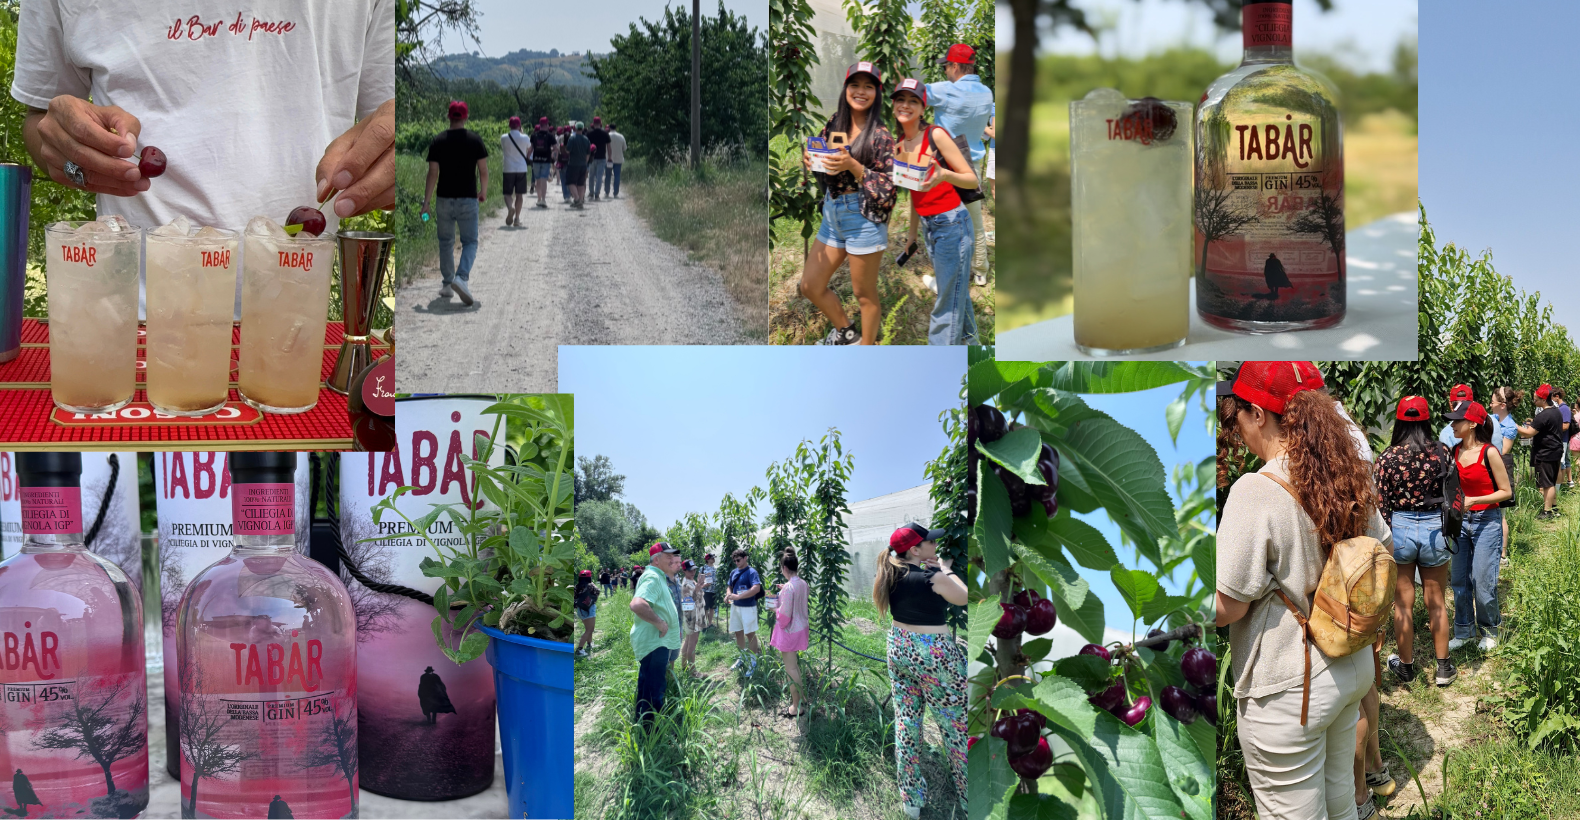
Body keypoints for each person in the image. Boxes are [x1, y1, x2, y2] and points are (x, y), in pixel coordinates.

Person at [13, 2, 395, 317]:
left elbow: (391, 120)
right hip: (132, 317)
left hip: (293, 317)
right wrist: (71, 156)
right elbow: (41, 121)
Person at [1215, 361, 1391, 820]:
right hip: (1349, 668)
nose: (1235, 426)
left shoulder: (1255, 490)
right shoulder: (1346, 472)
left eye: (1237, 413)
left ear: (1257, 413)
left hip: (1292, 687)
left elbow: (1229, 606)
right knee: (1338, 802)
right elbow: (1382, 545)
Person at [874, 523, 968, 817]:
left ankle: (911, 800)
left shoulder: (890, 574)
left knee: (907, 722)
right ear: (915, 550)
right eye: (929, 542)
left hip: (899, 647)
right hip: (934, 653)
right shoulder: (932, 576)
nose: (934, 545)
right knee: (956, 727)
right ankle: (970, 798)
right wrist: (945, 568)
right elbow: (964, 596)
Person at [800, 62, 897, 345]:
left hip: (863, 217)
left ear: (877, 94)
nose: (861, 91)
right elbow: (819, 154)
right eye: (855, 85)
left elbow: (889, 189)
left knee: (864, 294)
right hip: (833, 213)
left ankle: (866, 350)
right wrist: (810, 158)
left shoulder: (881, 136)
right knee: (810, 285)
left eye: (869, 86)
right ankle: (849, 334)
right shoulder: (834, 123)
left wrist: (854, 165)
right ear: (846, 89)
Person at [1375, 396, 1457, 688]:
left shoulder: (1387, 458)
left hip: (1401, 527)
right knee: (1436, 601)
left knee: (1403, 604)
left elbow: (1381, 506)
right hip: (1435, 526)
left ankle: (1407, 667)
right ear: (1426, 420)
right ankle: (1444, 668)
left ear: (1399, 421)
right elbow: (1453, 492)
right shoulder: (1441, 452)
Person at [892, 78, 978, 346]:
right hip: (931, 228)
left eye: (913, 101)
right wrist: (912, 234)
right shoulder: (900, 143)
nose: (905, 105)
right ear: (893, 104)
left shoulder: (935, 135)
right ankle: (973, 344)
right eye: (901, 99)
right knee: (955, 292)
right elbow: (914, 193)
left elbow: (971, 179)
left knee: (946, 303)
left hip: (953, 225)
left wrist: (943, 175)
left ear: (922, 107)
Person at [1446, 400, 1513, 654]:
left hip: (1486, 521)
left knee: (1483, 582)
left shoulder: (1489, 453)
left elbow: (1505, 492)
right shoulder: (1453, 452)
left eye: (1457, 420)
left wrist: (1474, 500)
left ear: (1472, 424)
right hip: (1461, 523)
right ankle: (1464, 630)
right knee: (1460, 581)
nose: (1452, 424)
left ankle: (1489, 629)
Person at [926, 44, 993, 287]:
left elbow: (914, 94)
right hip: (972, 164)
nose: (945, 71)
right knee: (974, 220)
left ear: (955, 66)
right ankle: (981, 270)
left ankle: (948, 274)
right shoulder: (987, 92)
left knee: (943, 220)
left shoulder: (946, 90)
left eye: (946, 66)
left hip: (946, 165)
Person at [420, 100, 487, 307]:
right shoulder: (475, 140)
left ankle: (448, 283)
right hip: (468, 198)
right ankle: (462, 278)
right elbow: (483, 170)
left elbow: (432, 173)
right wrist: (483, 191)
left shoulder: (437, 141)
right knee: (470, 242)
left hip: (443, 199)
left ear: (449, 117)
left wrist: (426, 203)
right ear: (466, 117)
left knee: (445, 241)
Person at [629, 542, 682, 727]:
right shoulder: (652, 576)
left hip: (656, 642)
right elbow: (637, 604)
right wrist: (660, 623)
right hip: (655, 642)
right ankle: (652, 732)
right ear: (656, 559)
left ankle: (643, 725)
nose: (672, 560)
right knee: (655, 689)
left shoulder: (658, 576)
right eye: (668, 557)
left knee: (647, 685)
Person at [770, 548, 811, 721]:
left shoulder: (788, 588)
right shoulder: (802, 583)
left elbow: (784, 617)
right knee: (794, 666)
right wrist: (783, 591)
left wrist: (774, 607)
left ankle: (797, 706)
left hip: (789, 632)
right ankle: (802, 698)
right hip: (801, 628)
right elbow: (797, 599)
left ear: (784, 568)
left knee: (791, 668)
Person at [1518, 383, 1565, 518]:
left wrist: (1513, 426)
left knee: (1547, 483)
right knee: (1551, 480)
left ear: (1544, 400)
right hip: (1555, 450)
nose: (1534, 402)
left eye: (1536, 399)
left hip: (1545, 453)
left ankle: (1547, 511)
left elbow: (1528, 433)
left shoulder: (1544, 415)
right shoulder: (1556, 412)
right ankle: (1554, 507)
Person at [1490, 386, 1522, 563]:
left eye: (1493, 401)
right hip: (1491, 468)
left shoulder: (1509, 425)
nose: (1490, 404)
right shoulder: (1493, 419)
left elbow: (1504, 450)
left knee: (1500, 514)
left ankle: (1502, 554)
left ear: (1502, 405)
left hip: (1500, 469)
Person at [725, 547, 764, 674]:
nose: (737, 562)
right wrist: (728, 595)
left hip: (748, 607)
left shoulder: (752, 572)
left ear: (745, 558)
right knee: (738, 633)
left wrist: (739, 596)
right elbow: (729, 586)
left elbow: (756, 588)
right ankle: (742, 657)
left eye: (739, 560)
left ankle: (753, 661)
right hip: (735, 607)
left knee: (750, 634)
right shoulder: (733, 572)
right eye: (735, 561)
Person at [500, 116, 530, 227]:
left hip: (508, 169)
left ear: (509, 125)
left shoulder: (504, 137)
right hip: (521, 168)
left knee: (507, 193)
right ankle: (517, 219)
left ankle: (510, 208)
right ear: (519, 125)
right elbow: (528, 148)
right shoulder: (525, 137)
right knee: (519, 195)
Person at [679, 560, 703, 670]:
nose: (693, 572)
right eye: (690, 570)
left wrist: (698, 585)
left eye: (694, 569)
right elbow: (689, 602)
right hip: (692, 616)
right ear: (684, 571)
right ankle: (693, 671)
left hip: (696, 614)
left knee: (689, 641)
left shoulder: (691, 581)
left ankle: (684, 667)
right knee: (692, 642)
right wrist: (697, 589)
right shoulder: (685, 585)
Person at [529, 117, 557, 210]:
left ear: (540, 125)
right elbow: (556, 148)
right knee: (544, 179)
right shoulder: (550, 136)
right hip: (546, 160)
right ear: (547, 125)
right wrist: (551, 151)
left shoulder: (534, 135)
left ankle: (539, 199)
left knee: (537, 180)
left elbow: (531, 148)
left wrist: (526, 157)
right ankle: (544, 200)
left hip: (536, 160)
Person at [563, 121, 591, 209]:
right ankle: (581, 201)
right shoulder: (586, 139)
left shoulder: (572, 138)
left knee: (570, 182)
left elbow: (567, 151)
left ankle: (577, 199)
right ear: (582, 129)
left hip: (573, 164)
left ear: (574, 128)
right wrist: (585, 163)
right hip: (583, 164)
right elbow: (588, 153)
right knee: (581, 183)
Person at [574, 569, 599, 657]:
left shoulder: (576, 586)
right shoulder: (590, 586)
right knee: (589, 630)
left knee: (588, 629)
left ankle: (589, 644)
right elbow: (598, 591)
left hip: (580, 610)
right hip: (589, 609)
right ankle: (579, 649)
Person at [587, 116, 611, 201]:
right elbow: (608, 147)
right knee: (599, 176)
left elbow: (587, 146)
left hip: (592, 157)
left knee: (591, 176)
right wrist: (610, 157)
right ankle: (597, 194)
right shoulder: (605, 134)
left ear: (593, 124)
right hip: (602, 157)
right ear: (600, 123)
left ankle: (591, 192)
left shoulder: (589, 134)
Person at [606, 123, 627, 198]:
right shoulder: (621, 136)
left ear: (609, 128)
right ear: (616, 128)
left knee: (608, 175)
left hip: (609, 159)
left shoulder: (607, 135)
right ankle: (615, 192)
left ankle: (607, 191)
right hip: (618, 159)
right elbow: (624, 148)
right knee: (617, 176)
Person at [701, 553, 719, 630]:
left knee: (712, 607)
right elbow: (700, 580)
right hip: (706, 591)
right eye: (712, 558)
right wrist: (705, 584)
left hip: (714, 590)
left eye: (714, 558)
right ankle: (704, 623)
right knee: (706, 607)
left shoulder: (716, 568)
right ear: (707, 560)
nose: (713, 559)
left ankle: (710, 623)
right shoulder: (703, 568)